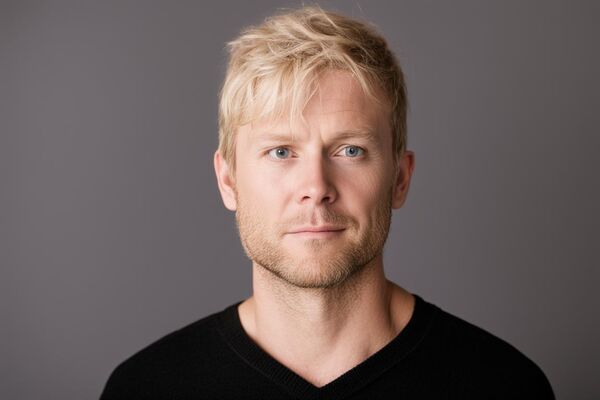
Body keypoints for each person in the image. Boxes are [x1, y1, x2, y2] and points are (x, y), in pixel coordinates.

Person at [100, 6, 554, 399]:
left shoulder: (503, 385)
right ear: (228, 180)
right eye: (281, 152)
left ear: (400, 178)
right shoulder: (146, 388)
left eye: (350, 150)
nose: (316, 186)